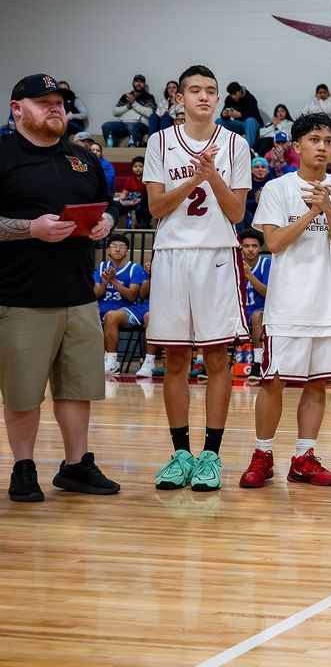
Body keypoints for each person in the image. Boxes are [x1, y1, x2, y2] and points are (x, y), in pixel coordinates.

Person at [1, 73, 122, 502]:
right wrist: (29, 229)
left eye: (61, 102)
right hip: (21, 296)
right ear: (17, 109)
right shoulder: (3, 155)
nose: (56, 108)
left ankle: (75, 466)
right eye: (44, 101)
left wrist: (105, 224)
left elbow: (105, 210)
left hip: (78, 295)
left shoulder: (82, 158)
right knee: (23, 391)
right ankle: (23, 468)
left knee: (77, 386)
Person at [144, 65, 252, 493]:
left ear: (219, 100)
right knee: (174, 359)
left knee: (217, 359)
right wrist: (193, 177)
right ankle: (180, 454)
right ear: (181, 99)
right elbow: (154, 208)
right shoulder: (160, 141)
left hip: (217, 257)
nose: (204, 97)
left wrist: (213, 178)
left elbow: (238, 213)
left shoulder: (235, 144)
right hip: (172, 254)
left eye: (211, 91)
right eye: (195, 90)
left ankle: (211, 456)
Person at [238, 112, 331, 489]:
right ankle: (262, 454)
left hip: (326, 303)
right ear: (297, 146)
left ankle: (304, 458)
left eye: (328, 141)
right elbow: (273, 243)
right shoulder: (277, 189)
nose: (322, 146)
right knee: (273, 381)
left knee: (316, 383)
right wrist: (313, 211)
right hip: (287, 303)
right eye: (314, 140)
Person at [94, 234, 148, 375]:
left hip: (128, 310)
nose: (118, 250)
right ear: (108, 250)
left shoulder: (134, 269)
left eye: (122, 247)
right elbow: (96, 294)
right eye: (114, 246)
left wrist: (114, 281)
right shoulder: (101, 267)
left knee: (110, 316)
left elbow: (132, 296)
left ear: (127, 251)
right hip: (102, 309)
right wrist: (105, 283)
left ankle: (112, 363)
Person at [239, 228, 271, 381]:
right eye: (246, 246)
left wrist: (249, 275)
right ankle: (206, 363)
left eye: (254, 246)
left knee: (258, 316)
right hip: (240, 310)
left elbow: (267, 292)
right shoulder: (234, 264)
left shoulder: (267, 263)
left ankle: (257, 363)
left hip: (261, 310)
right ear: (241, 247)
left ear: (259, 248)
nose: (250, 249)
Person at [102, 73, 155, 147]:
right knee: (106, 126)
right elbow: (115, 112)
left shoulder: (149, 97)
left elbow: (149, 113)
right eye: (136, 81)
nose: (139, 83)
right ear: (133, 83)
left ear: (144, 84)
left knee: (131, 126)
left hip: (140, 124)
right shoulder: (125, 96)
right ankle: (112, 146)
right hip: (123, 124)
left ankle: (137, 144)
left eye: (141, 82)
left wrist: (134, 103)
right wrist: (127, 106)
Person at [219, 81, 264, 148]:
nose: (233, 97)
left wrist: (240, 114)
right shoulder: (229, 99)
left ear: (240, 91)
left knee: (249, 121)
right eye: (231, 94)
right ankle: (219, 146)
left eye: (235, 94)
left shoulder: (250, 98)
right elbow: (225, 113)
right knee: (219, 121)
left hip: (254, 124)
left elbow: (254, 115)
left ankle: (250, 149)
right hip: (239, 125)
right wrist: (224, 115)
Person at [242, 156, 272, 229]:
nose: (260, 169)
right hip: (250, 215)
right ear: (251, 170)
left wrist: (265, 200)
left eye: (263, 167)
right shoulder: (245, 183)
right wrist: (255, 201)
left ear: (268, 170)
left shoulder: (273, 183)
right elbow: (240, 203)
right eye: (257, 167)